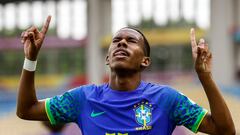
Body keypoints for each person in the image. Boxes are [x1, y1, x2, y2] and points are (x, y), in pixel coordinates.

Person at [17, 16, 235, 135]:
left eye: (131, 41)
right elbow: (26, 110)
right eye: (116, 40)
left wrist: (205, 76)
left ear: (145, 61)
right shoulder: (82, 98)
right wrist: (31, 59)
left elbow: (225, 131)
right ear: (108, 58)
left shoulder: (167, 99)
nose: (121, 42)